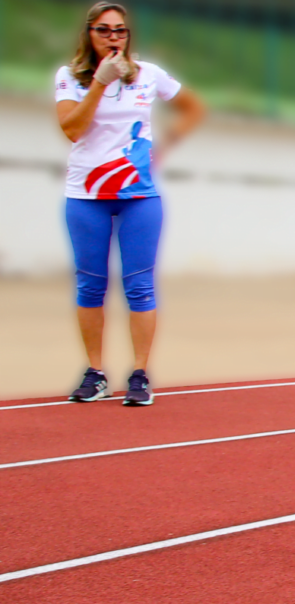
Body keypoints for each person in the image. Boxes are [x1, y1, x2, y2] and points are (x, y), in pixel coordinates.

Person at [55, 2, 205, 405]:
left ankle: (139, 374)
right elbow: (71, 129)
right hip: (86, 195)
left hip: (139, 195)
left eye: (120, 30)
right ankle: (95, 373)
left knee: (139, 286)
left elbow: (193, 107)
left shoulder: (148, 75)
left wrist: (165, 147)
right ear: (89, 33)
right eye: (104, 30)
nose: (113, 38)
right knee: (91, 286)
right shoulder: (70, 77)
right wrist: (100, 84)